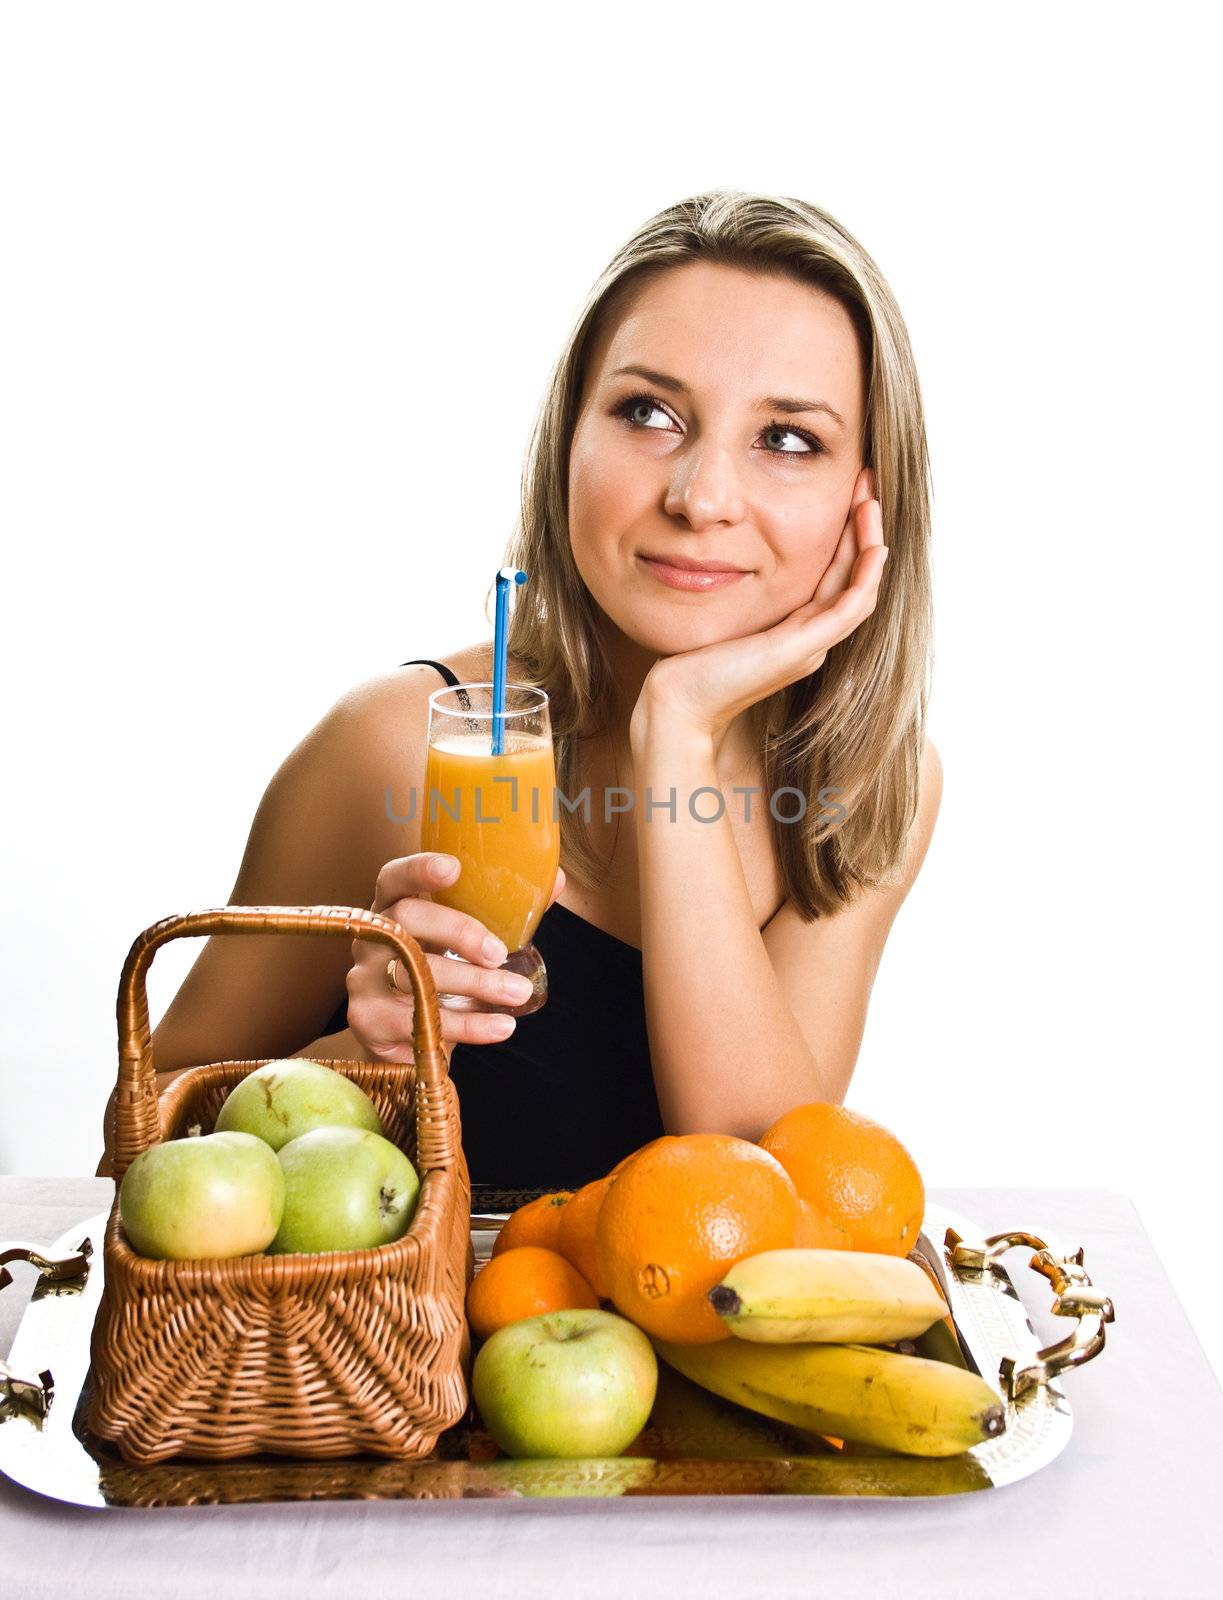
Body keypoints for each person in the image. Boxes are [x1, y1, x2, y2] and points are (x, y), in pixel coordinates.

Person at [98, 188, 942, 1190]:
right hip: (373, 1346)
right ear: (569, 439)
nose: (700, 497)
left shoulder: (865, 780)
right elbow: (132, 1154)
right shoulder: (397, 748)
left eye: (787, 438)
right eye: (649, 413)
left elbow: (759, 1187)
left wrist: (671, 722)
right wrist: (359, 1067)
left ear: (868, 496)